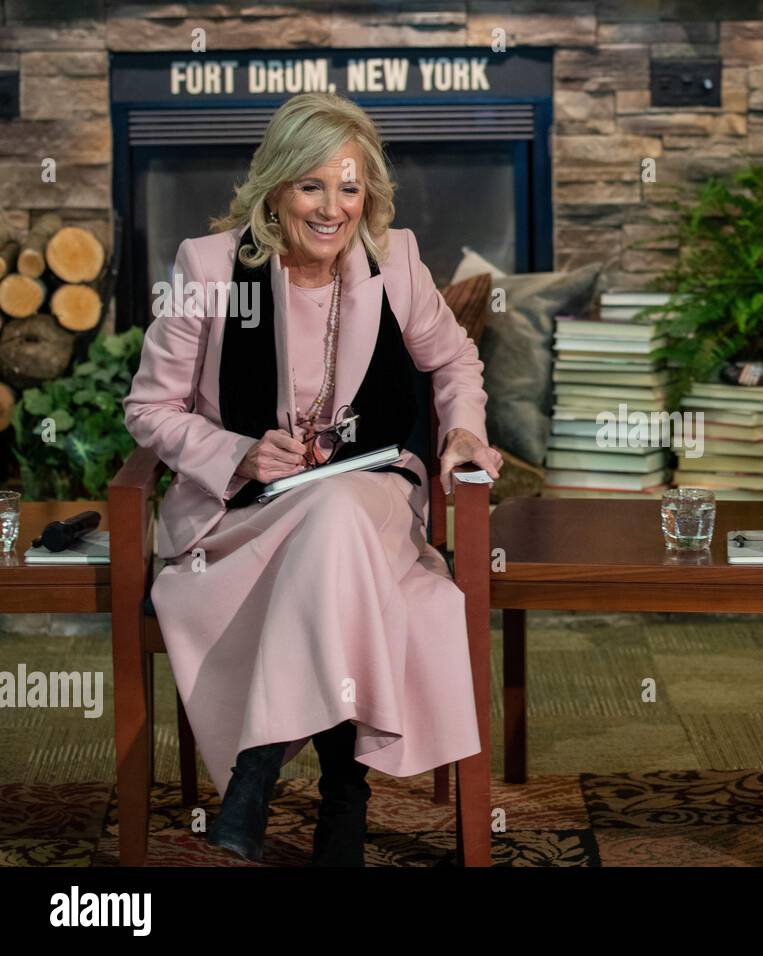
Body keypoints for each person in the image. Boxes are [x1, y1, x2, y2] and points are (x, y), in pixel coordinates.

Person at [123, 92, 502, 866]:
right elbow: (149, 409)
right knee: (330, 535)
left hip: (368, 499)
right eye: (313, 186)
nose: (334, 208)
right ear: (275, 189)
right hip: (244, 522)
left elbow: (454, 358)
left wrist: (463, 429)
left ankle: (256, 773)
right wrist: (235, 452)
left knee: (335, 510)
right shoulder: (212, 267)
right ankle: (345, 802)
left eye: (351, 187)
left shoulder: (392, 261)